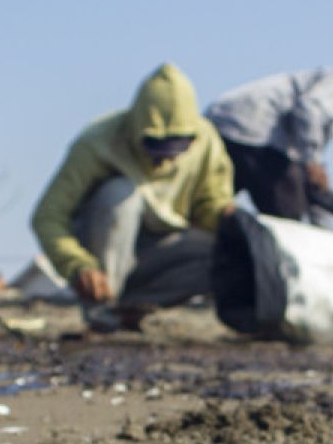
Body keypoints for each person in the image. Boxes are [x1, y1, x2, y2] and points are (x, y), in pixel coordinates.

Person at [31, 63, 236, 332]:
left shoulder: (207, 141)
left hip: (162, 249)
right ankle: (103, 311)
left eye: (178, 148)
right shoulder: (98, 141)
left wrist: (227, 218)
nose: (167, 157)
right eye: (156, 147)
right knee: (120, 195)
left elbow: (209, 207)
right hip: (104, 250)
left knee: (229, 251)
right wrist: (78, 266)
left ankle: (135, 307)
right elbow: (48, 216)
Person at [205, 68, 333, 221]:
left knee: (210, 205)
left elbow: (309, 180)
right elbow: (309, 109)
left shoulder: (321, 120)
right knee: (288, 214)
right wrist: (312, 163)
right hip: (257, 130)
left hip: (222, 127)